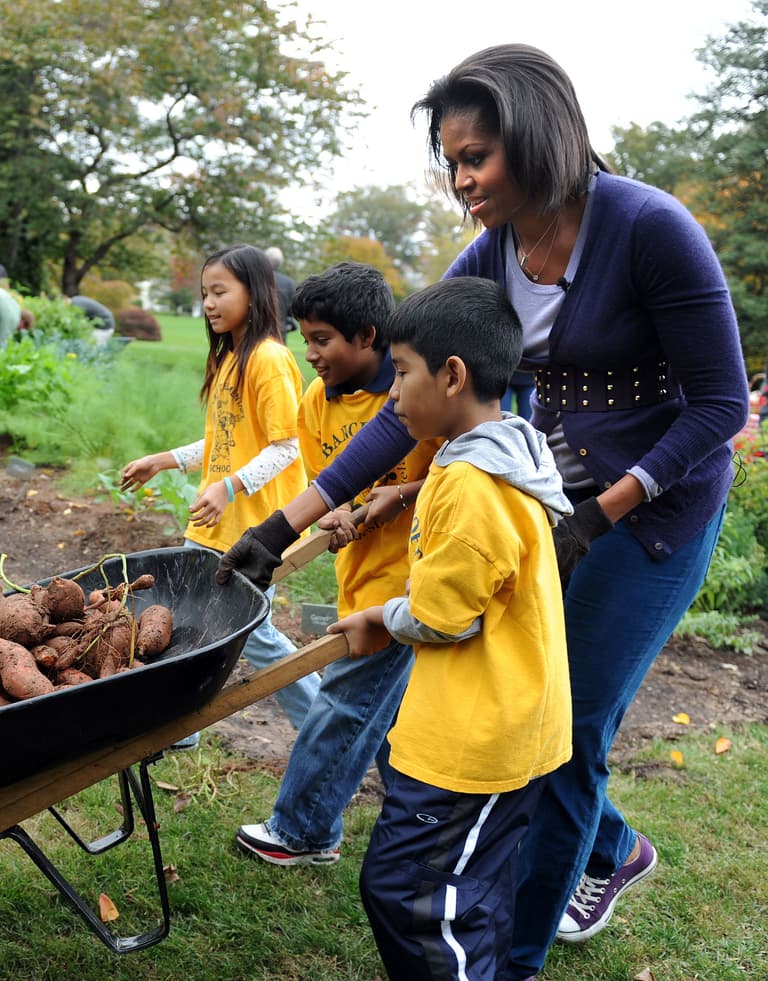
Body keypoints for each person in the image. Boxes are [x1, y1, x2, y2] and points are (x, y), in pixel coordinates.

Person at [218, 44, 747, 980]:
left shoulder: (649, 229)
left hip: (655, 508)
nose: (461, 179)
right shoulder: (495, 248)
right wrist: (280, 525)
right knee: (525, 704)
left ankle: (520, 956)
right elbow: (402, 405)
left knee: (572, 725)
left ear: (538, 141)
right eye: (453, 161)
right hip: (553, 494)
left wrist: (604, 514)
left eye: (476, 158)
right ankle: (606, 848)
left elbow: (719, 406)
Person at [335, 276, 572, 980]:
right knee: (473, 889)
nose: (393, 392)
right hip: (497, 723)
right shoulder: (489, 456)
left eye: (401, 372)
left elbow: (442, 615)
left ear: (453, 374)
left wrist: (381, 615)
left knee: (410, 895)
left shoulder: (472, 485)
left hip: (474, 743)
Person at [235, 261, 438, 866]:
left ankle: (303, 830)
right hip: (358, 574)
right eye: (305, 338)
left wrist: (396, 496)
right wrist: (348, 509)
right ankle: (425, 830)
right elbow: (332, 481)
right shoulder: (314, 402)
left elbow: (459, 479)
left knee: (346, 701)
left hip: (407, 579)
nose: (311, 353)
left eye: (323, 340)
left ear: (369, 337)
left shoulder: (416, 400)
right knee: (386, 719)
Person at [120, 243, 318, 742]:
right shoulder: (233, 356)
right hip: (217, 523)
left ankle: (322, 721)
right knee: (191, 616)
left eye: (219, 291)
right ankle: (179, 725)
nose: (208, 303)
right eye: (204, 293)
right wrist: (162, 460)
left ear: (254, 294)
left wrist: (230, 487)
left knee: (252, 635)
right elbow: (225, 437)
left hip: (255, 528)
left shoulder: (269, 359)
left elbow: (287, 447)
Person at [264, 246, 298, 334]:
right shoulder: (289, 283)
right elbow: (293, 309)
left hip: (259, 328)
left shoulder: (257, 280)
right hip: (280, 328)